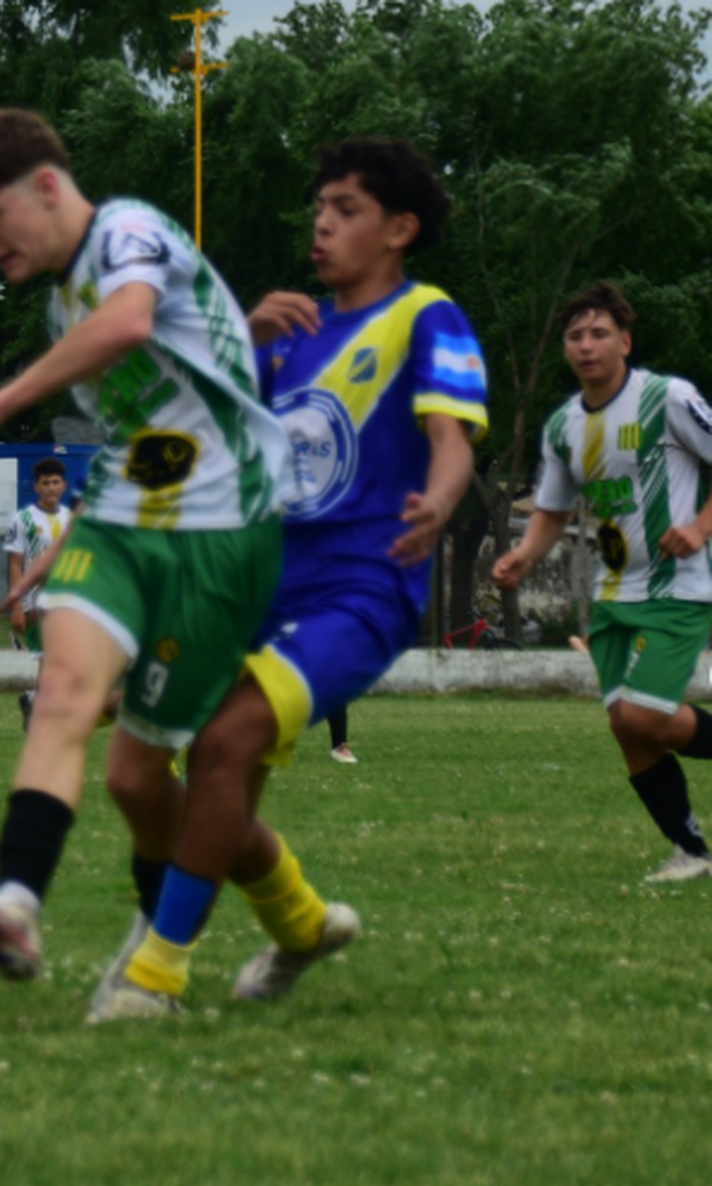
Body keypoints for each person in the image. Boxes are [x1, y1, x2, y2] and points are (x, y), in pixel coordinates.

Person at [92, 137, 487, 1020]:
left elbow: (452, 439)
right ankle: (303, 925)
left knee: (224, 746)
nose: (322, 223)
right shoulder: (289, 331)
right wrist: (242, 337)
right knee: (157, 778)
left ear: (399, 228)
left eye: (345, 209)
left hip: (362, 590)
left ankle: (155, 973)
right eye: (319, 207)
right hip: (251, 584)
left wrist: (440, 501)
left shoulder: (429, 317)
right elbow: (196, 433)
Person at [0, 108, 290, 989]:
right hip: (124, 519)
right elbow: (139, 432)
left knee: (137, 778)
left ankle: (231, 930)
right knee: (61, 694)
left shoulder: (129, 231)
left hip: (222, 533)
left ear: (46, 187)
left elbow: (127, 326)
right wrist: (67, 540)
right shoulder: (58, 307)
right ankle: (16, 906)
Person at [494, 281, 712, 883]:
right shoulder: (564, 425)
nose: (586, 346)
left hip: (679, 587)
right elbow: (552, 512)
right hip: (614, 595)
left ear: (624, 341)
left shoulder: (667, 399)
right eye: (575, 336)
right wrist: (522, 556)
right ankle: (691, 851)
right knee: (627, 728)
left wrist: (698, 525)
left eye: (598, 333)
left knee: (645, 717)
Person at [4, 455, 69, 654]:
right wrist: (16, 606)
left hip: (67, 597)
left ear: (64, 486)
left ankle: (23, 654)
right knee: (41, 657)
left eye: (55, 482)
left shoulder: (72, 519)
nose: (51, 487)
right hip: (34, 600)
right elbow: (15, 563)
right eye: (46, 482)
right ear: (36, 487)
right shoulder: (23, 519)